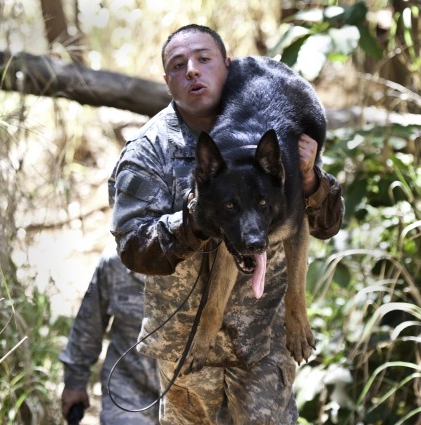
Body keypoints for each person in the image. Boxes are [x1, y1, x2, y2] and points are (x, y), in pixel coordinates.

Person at [108, 24, 344, 424]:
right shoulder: (148, 152)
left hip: (263, 341)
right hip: (187, 347)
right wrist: (193, 224)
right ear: (167, 81)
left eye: (204, 59)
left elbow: (323, 226)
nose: (193, 72)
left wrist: (311, 182)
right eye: (178, 65)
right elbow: (133, 246)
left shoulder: (271, 128)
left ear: (227, 66)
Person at [59, 246, 160, 424]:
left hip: (194, 394)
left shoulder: (208, 261)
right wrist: (75, 382)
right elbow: (89, 325)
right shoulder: (115, 262)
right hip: (128, 388)